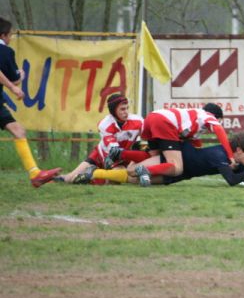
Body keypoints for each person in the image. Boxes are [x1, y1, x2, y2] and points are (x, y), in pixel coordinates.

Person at [82, 131, 244, 187]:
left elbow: (243, 178)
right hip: (174, 159)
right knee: (133, 171)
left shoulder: (234, 160)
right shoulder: (221, 156)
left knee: (133, 179)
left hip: (178, 175)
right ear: (240, 150)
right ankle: (136, 149)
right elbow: (232, 181)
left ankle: (94, 174)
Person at [106, 104, 236, 186]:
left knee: (154, 158)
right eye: (219, 121)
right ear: (215, 116)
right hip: (164, 122)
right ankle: (145, 171)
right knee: (177, 168)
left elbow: (196, 146)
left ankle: (119, 153)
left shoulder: (193, 119)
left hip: (151, 118)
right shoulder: (207, 115)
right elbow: (219, 130)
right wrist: (230, 156)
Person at [0, 17, 61, 187]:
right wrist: (17, 81)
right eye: (10, 35)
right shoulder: (5, 51)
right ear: (4, 35)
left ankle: (35, 174)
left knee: (18, 130)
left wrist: (15, 80)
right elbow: (14, 78)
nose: (11, 38)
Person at [56, 93, 146, 184]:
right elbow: (115, 152)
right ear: (113, 111)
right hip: (104, 155)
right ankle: (53, 178)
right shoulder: (105, 124)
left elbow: (146, 139)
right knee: (69, 179)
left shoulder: (138, 121)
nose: (126, 112)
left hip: (121, 155)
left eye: (127, 108)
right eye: (122, 109)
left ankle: (91, 175)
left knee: (118, 179)